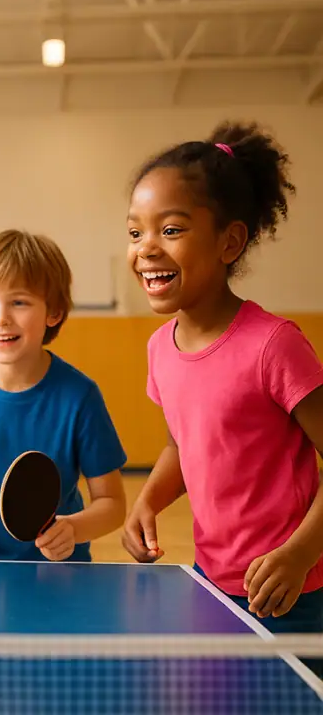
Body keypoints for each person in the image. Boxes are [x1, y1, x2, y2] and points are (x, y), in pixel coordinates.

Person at [122, 121, 323, 636]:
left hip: (294, 591)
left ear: (229, 242)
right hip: (212, 582)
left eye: (170, 229)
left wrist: (299, 555)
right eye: (134, 231)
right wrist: (148, 500)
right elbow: (183, 449)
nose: (146, 247)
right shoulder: (159, 350)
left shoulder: (273, 345)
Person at [0, 229, 128, 562]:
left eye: (18, 302)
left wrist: (75, 529)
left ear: (53, 313)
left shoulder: (80, 397)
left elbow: (113, 504)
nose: (0, 318)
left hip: (58, 574)